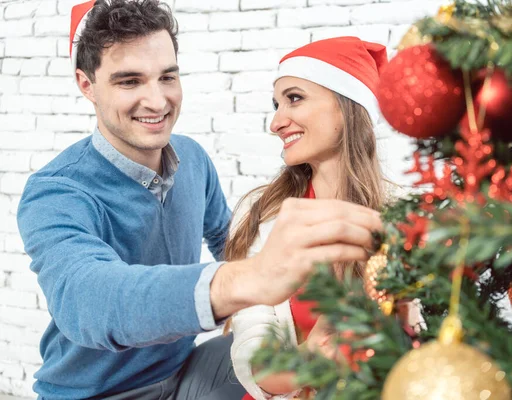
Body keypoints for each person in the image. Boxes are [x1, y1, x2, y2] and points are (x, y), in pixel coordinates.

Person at [16, 1, 382, 399]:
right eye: (129, 82)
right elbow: (88, 298)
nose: (157, 102)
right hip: (98, 393)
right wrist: (251, 279)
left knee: (286, 355)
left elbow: (233, 242)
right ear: (87, 85)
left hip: (184, 369)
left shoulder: (191, 158)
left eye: (167, 77)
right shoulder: (56, 191)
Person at [227, 37, 392, 400]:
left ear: (346, 107)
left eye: (294, 98)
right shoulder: (266, 217)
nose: (276, 122)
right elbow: (253, 362)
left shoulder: (400, 221)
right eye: (277, 104)